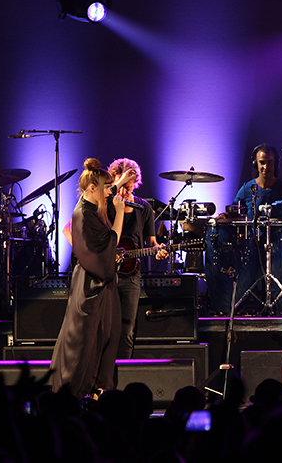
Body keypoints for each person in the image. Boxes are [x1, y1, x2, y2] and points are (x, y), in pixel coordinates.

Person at [50, 158, 125, 398]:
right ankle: (76, 394)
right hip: (91, 284)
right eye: (106, 187)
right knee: (85, 343)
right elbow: (105, 246)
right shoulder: (83, 213)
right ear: (92, 188)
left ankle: (99, 391)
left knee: (107, 336)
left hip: (102, 285)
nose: (109, 193)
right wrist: (120, 214)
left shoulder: (93, 210)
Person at [210, 143, 282, 314]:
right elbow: (234, 210)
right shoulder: (247, 189)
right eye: (262, 162)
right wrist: (226, 215)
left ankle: (277, 316)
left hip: (279, 246)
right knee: (246, 283)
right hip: (250, 245)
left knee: (277, 283)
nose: (266, 167)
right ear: (256, 164)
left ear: (276, 163)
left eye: (270, 162)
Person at [107, 158, 167, 359]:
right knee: (104, 327)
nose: (124, 191)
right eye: (121, 185)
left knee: (127, 329)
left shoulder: (144, 209)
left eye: (129, 187)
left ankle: (124, 371)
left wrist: (158, 249)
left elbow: (152, 242)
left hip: (131, 275)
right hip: (106, 275)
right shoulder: (106, 204)